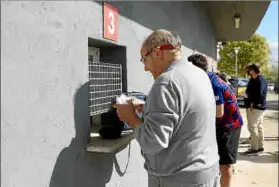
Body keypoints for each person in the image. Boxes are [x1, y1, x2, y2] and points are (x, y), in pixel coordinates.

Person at [113, 29, 219, 187]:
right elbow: (186, 113)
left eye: (144, 60)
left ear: (157, 53)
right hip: (206, 172)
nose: (145, 68)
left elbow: (152, 143)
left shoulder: (166, 82)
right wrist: (148, 108)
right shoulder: (199, 73)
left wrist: (131, 118)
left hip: (178, 179)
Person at [188, 54, 243, 187]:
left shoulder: (212, 83)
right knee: (219, 162)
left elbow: (219, 113)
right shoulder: (207, 78)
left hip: (229, 126)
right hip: (222, 125)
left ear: (196, 69)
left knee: (225, 166)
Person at [243, 63, 268, 155]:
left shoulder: (260, 80)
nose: (248, 71)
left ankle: (255, 148)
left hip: (256, 108)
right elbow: (251, 92)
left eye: (249, 70)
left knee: (252, 127)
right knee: (259, 127)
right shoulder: (255, 79)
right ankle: (260, 147)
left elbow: (260, 95)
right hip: (256, 107)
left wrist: (253, 104)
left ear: (253, 70)